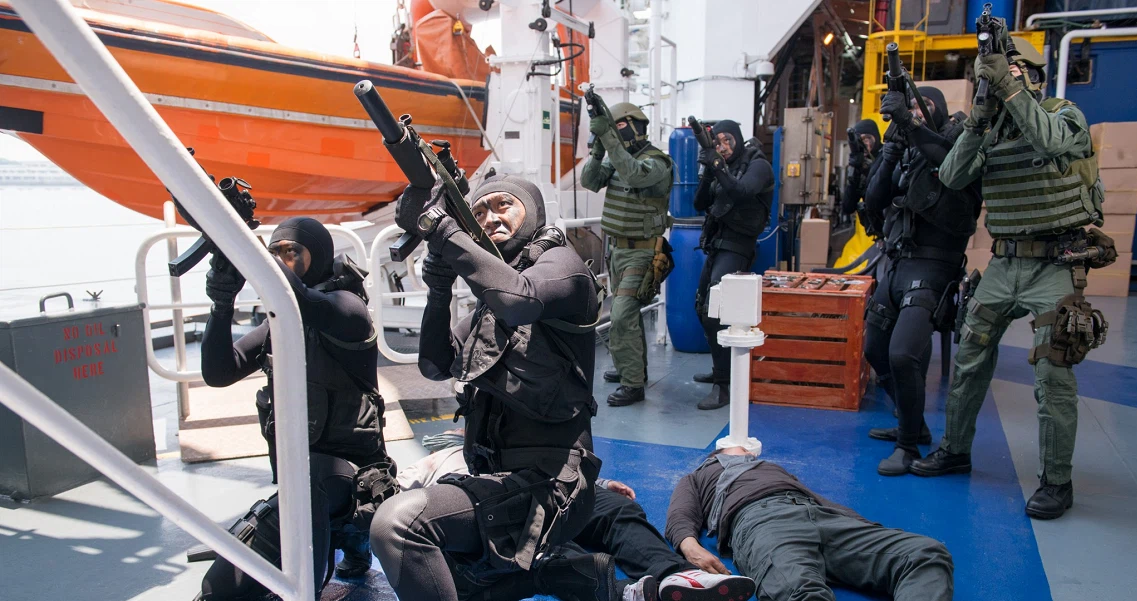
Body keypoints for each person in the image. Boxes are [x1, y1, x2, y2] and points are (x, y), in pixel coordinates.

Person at [371, 175, 618, 601]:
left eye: (504, 205)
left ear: (533, 212)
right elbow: (434, 364)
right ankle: (571, 574)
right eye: (480, 212)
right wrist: (437, 290)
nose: (491, 218)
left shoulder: (564, 267)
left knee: (398, 525)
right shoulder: (492, 304)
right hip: (497, 477)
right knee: (449, 577)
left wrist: (444, 231)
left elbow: (520, 298)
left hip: (549, 485)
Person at [912, 37, 1115, 520]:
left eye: (1010, 71)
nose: (1000, 79)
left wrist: (1009, 88)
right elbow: (953, 176)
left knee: (1052, 370)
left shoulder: (1065, 114)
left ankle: (1056, 481)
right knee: (971, 357)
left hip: (1055, 262)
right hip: (1005, 263)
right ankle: (955, 450)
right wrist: (979, 120)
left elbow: (1048, 141)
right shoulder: (993, 129)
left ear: (1034, 75)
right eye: (994, 73)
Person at [196, 217, 393, 599]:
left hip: (359, 483)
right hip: (300, 483)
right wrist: (221, 305)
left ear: (317, 257)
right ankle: (345, 546)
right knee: (218, 588)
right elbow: (218, 372)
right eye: (274, 253)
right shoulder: (281, 325)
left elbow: (304, 300)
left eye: (292, 252)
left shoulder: (347, 308)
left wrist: (243, 249)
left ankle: (340, 555)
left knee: (313, 476)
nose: (281, 261)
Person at [398, 430, 757, 601]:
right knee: (542, 544)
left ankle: (682, 577)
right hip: (488, 500)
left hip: (552, 485)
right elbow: (400, 501)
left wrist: (602, 482)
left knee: (618, 511)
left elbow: (556, 461)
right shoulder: (437, 459)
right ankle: (630, 594)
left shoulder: (509, 435)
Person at [861, 85, 982, 476]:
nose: (915, 111)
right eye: (911, 105)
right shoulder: (908, 150)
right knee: (876, 349)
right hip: (898, 261)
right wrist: (891, 149)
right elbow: (874, 198)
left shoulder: (961, 140)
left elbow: (951, 168)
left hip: (933, 265)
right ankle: (913, 422)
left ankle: (908, 445)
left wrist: (910, 125)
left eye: (924, 105)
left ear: (942, 111)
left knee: (903, 353)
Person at [665, 447, 954, 601]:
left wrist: (868, 532)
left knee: (924, 554)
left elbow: (827, 503)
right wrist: (692, 549)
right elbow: (680, 514)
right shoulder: (700, 476)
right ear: (716, 457)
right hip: (760, 520)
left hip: (821, 516)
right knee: (801, 592)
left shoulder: (770, 468)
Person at [582, 102, 674, 407]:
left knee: (621, 315)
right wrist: (597, 150)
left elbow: (634, 176)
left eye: (619, 127)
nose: (615, 134)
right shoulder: (620, 160)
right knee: (627, 314)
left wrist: (607, 137)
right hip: (616, 251)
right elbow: (589, 181)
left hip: (642, 253)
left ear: (636, 127)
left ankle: (633, 384)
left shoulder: (657, 162)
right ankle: (631, 368)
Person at [691, 120, 774, 410]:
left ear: (738, 140)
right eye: (718, 142)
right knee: (702, 308)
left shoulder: (758, 166)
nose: (723, 147)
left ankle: (724, 386)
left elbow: (741, 192)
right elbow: (698, 203)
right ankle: (720, 369)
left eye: (728, 141)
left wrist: (718, 166)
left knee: (717, 312)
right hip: (717, 245)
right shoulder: (719, 165)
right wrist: (708, 171)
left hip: (739, 246)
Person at [841, 119, 883, 227]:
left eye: (868, 138)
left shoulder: (886, 158)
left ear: (877, 138)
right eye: (861, 139)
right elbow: (848, 207)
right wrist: (855, 171)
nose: (865, 143)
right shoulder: (858, 163)